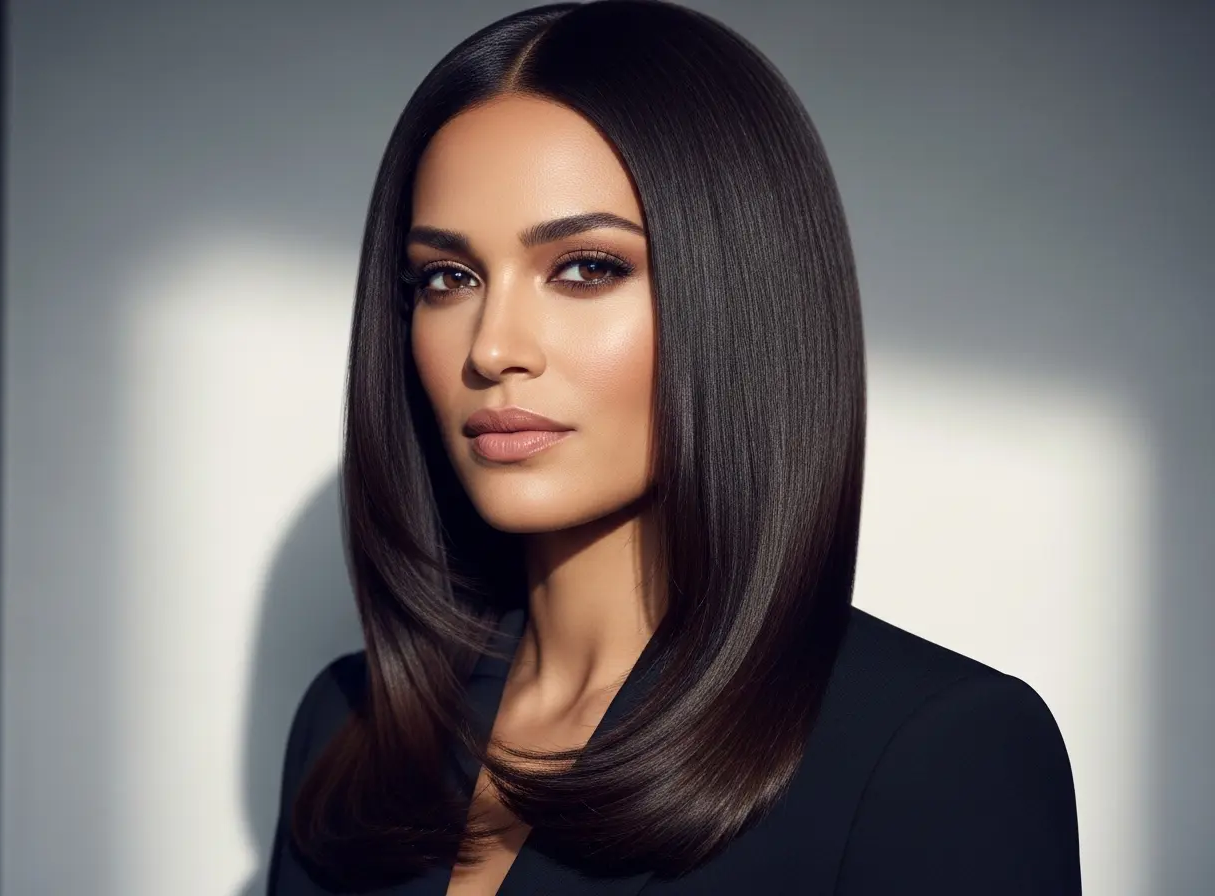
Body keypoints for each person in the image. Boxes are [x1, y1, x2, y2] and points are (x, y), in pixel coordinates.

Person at [266, 1, 1082, 894]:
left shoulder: (936, 753)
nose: (493, 347)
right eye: (448, 278)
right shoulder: (352, 728)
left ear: (738, 300)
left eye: (586, 267)